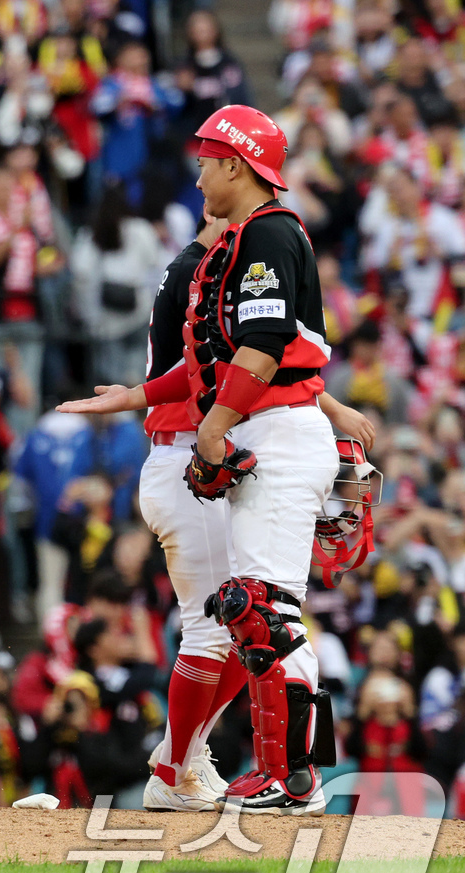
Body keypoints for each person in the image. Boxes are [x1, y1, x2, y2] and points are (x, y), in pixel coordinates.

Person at [59, 106, 342, 814]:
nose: (199, 171)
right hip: (263, 426)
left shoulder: (269, 233)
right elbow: (216, 362)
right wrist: (141, 398)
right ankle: (275, 771)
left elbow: (266, 345)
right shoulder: (242, 241)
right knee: (253, 613)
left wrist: (214, 427)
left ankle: (282, 774)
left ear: (237, 164)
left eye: (210, 158)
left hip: (272, 427)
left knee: (263, 612)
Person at [95, 207, 375, 812]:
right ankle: (188, 767)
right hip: (191, 451)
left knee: (246, 618)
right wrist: (321, 407)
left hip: (204, 447)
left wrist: (320, 407)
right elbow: (239, 363)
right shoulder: (205, 268)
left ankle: (195, 762)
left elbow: (247, 359)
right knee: (236, 620)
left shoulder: (207, 265)